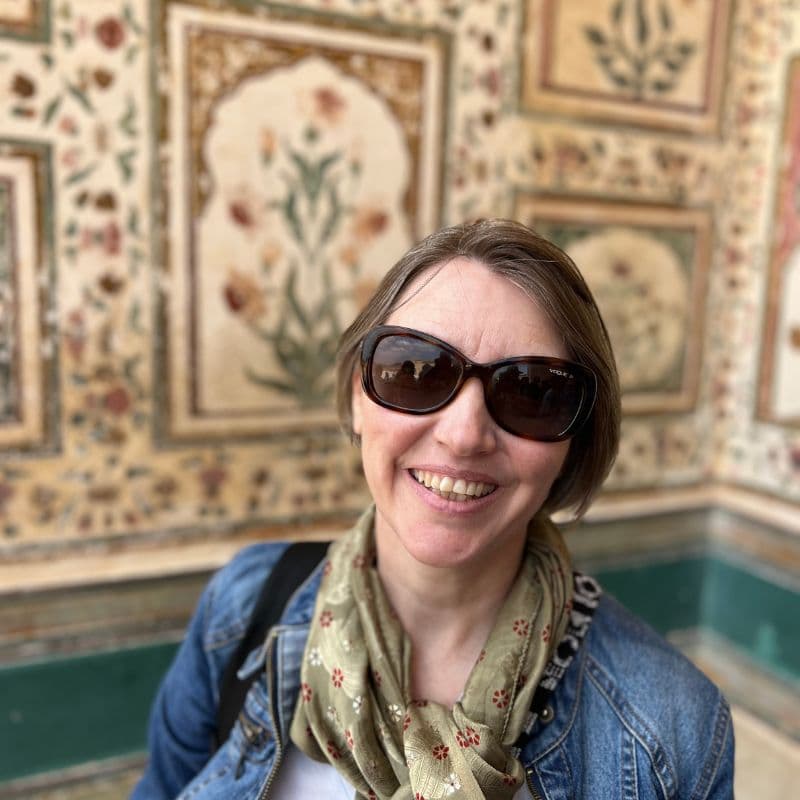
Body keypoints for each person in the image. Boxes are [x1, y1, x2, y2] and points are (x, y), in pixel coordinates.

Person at [132, 219, 734, 799]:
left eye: (530, 392)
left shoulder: (670, 726)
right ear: (358, 397)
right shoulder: (243, 609)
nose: (464, 434)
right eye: (414, 371)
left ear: (574, 439)